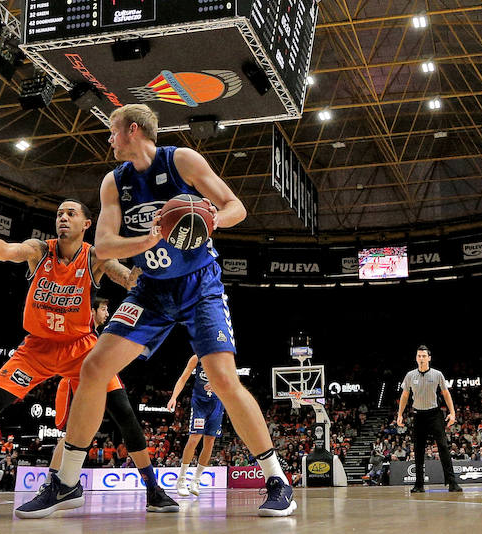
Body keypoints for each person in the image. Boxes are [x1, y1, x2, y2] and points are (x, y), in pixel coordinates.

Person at [17, 104, 296, 519]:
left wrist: (210, 219)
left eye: (112, 131)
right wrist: (149, 241)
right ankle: (67, 482)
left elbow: (236, 205)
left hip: (200, 285)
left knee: (221, 378)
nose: (108, 139)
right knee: (94, 368)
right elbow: (106, 245)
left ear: (133, 130)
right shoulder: (114, 183)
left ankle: (277, 480)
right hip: (149, 289)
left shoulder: (182, 160)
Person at [0, 199, 178, 517]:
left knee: (124, 412)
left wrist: (135, 278)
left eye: (71, 213)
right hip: (36, 349)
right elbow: (7, 251)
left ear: (86, 224)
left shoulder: (94, 256)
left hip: (81, 348)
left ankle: (154, 490)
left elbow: (123, 276)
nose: (63, 218)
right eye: (59, 214)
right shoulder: (40, 249)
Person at [396, 345, 462, 493]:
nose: (421, 359)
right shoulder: (410, 375)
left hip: (435, 414)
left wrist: (452, 413)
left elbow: (445, 393)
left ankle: (452, 483)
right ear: (416, 358)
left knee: (443, 447)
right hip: (418, 415)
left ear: (429, 358)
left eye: (424, 356)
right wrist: (400, 414)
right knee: (418, 450)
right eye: (419, 356)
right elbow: (405, 395)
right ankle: (419, 485)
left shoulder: (437, 374)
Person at [166, 354, 224, 497]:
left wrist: (217, 384)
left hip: (217, 403)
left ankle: (196, 480)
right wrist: (174, 397)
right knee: (194, 438)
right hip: (200, 403)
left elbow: (230, 380)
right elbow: (183, 378)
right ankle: (181, 479)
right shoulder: (197, 358)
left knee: (210, 441)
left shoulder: (223, 356)